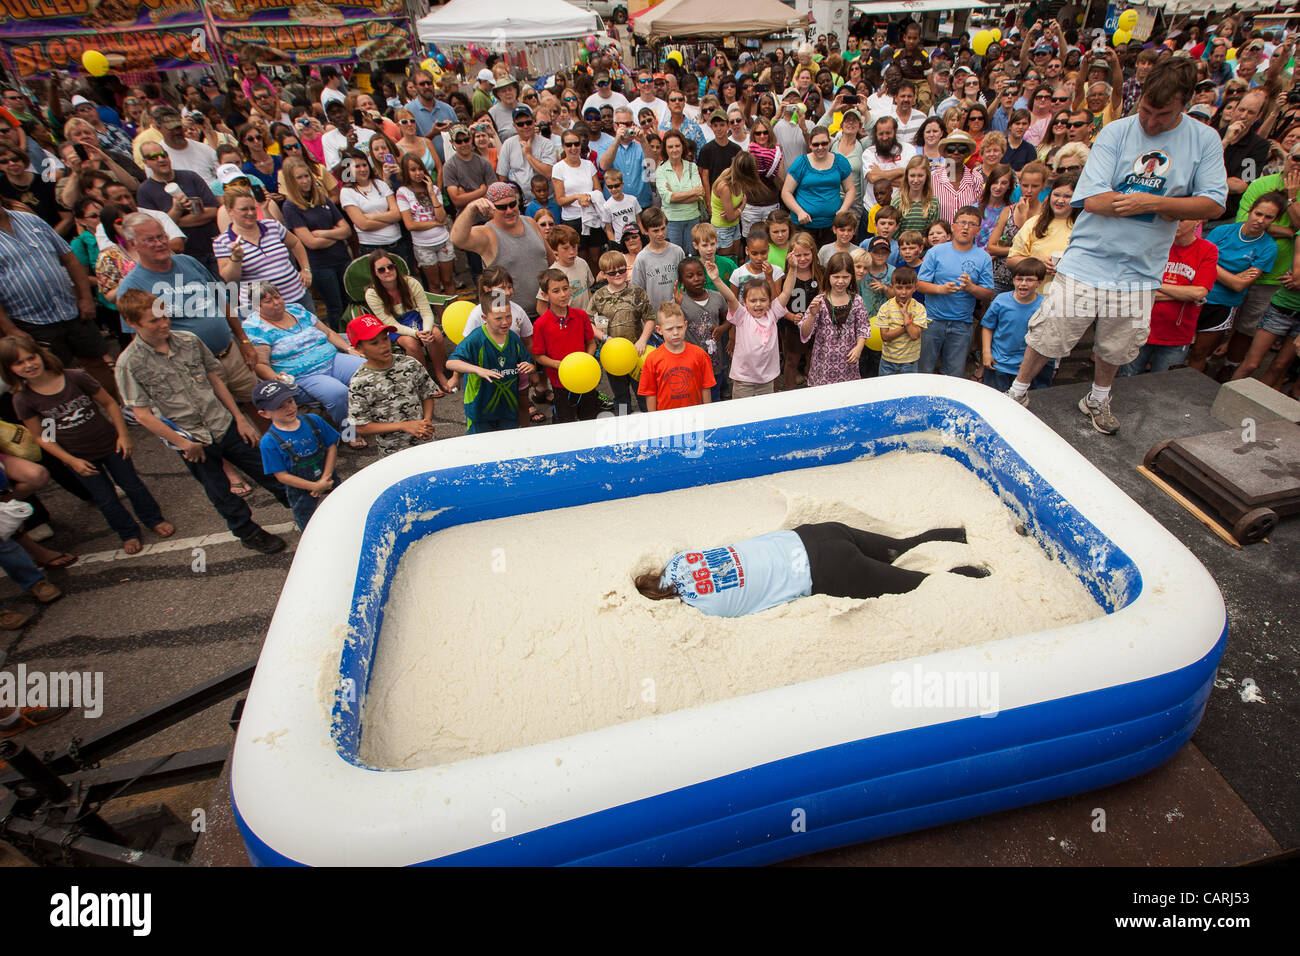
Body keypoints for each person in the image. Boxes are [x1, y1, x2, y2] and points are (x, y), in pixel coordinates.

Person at [1007, 59, 1229, 434]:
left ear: (1185, 104)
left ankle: (1097, 397)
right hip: (1089, 259)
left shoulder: (1203, 139)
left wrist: (1153, 203)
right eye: (1145, 110)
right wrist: (1171, 204)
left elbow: (1213, 202)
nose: (1151, 122)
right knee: (1051, 331)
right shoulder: (1116, 132)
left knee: (1118, 344)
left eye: (1163, 114)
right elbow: (1092, 199)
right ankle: (1018, 391)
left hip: (1141, 268)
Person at [114, 289, 288, 554]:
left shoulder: (188, 340)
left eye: (164, 316)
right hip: (192, 439)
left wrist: (240, 418)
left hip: (223, 423)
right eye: (153, 321)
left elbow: (215, 379)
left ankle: (299, 505)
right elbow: (142, 415)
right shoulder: (129, 363)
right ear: (134, 324)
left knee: (267, 469)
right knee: (220, 491)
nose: (163, 323)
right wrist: (183, 444)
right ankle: (248, 532)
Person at [4, 333, 172, 555]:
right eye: (19, 363)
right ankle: (128, 533)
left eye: (30, 358)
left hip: (111, 445)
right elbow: (41, 436)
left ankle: (153, 519)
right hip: (78, 457)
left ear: (40, 355)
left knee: (133, 485)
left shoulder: (75, 377)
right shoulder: (23, 399)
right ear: (9, 370)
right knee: (105, 498)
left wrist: (123, 435)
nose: (28, 365)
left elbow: (110, 404)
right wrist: (70, 460)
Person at [634, 522, 986, 617]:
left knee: (919, 584)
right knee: (903, 547)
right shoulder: (682, 561)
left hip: (827, 570)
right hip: (815, 533)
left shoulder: (706, 609)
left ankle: (980, 576)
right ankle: (961, 535)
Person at [0, 201, 117, 399]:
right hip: (30, 320)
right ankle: (78, 421)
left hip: (70, 308)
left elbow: (70, 259)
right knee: (54, 373)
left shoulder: (30, 219)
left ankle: (119, 408)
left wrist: (86, 298)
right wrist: (10, 329)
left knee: (96, 361)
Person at [243, 281, 365, 428]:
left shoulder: (296, 309)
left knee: (368, 369)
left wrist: (349, 348)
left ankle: (376, 414)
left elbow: (327, 332)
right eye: (268, 301)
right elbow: (261, 364)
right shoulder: (255, 327)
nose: (276, 302)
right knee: (338, 393)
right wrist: (277, 379)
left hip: (332, 359)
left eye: (277, 297)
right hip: (305, 376)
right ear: (257, 306)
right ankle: (350, 432)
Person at [1187, 192, 1283, 372]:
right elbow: (1198, 261)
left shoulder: (1269, 247)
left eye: (1268, 217)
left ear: (1275, 220)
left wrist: (1212, 266)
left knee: (1199, 353)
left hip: (1224, 305)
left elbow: (1239, 286)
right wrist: (1233, 276)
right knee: (1178, 347)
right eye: (1258, 213)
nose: (1261, 220)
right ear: (1250, 211)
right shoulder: (1223, 231)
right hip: (1194, 295)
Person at [1119, 219, 1218, 377]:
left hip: (1177, 335)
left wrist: (1154, 284)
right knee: (1126, 380)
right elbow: (1136, 287)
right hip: (1139, 327)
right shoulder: (1154, 244)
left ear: (1198, 221)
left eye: (1182, 219)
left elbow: (1199, 292)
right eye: (1173, 218)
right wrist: (1184, 293)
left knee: (1162, 385)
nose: (1176, 223)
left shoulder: (1208, 250)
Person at [450, 184, 552, 319]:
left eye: (512, 204)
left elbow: (552, 260)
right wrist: (471, 208)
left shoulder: (530, 222)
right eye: (502, 207)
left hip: (546, 311)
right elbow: (456, 239)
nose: (509, 211)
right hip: (510, 319)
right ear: (491, 209)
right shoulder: (487, 234)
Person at [917, 206, 995, 376]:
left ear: (978, 230)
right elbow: (920, 284)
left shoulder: (983, 258)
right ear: (953, 226)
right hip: (932, 321)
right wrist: (940, 289)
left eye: (972, 224)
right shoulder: (935, 252)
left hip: (962, 324)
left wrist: (971, 288)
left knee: (954, 375)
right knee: (923, 371)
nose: (966, 227)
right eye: (962, 222)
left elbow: (988, 293)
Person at [252, 379, 339, 531]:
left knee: (341, 506)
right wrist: (315, 486)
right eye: (279, 407)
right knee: (309, 524)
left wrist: (326, 476)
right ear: (264, 414)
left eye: (290, 401)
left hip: (328, 476)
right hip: (301, 490)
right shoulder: (269, 442)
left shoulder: (314, 420)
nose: (289, 408)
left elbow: (331, 447)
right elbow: (282, 476)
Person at [345, 313, 436, 457]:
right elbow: (361, 426)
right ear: (359, 349)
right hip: (392, 451)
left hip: (424, 442)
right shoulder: (359, 382)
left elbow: (427, 393)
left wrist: (427, 421)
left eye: (385, 338)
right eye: (374, 343)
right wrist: (404, 426)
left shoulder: (409, 363)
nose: (383, 345)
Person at [214, 185, 313, 317]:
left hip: (297, 296)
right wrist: (236, 259)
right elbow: (230, 277)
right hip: (261, 308)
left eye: (253, 208)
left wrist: (305, 268)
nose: (250, 213)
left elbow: (295, 243)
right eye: (244, 209)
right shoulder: (223, 242)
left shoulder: (272, 226)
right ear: (229, 210)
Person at [445, 292, 536, 433]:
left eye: (508, 316)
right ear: (484, 318)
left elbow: (527, 361)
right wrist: (478, 370)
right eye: (498, 318)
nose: (505, 322)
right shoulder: (476, 339)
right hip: (480, 411)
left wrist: (530, 367)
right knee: (482, 451)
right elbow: (451, 362)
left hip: (508, 409)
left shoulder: (513, 338)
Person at [280, 157, 351, 331]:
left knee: (351, 302)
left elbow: (346, 230)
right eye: (299, 178)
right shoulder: (290, 207)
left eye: (306, 176)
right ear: (291, 181)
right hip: (321, 266)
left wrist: (325, 233)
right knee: (336, 308)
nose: (305, 181)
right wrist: (336, 235)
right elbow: (311, 242)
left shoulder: (322, 199)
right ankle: (342, 341)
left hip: (342, 258)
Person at [709, 260, 797, 397]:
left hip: (766, 380)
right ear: (744, 302)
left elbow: (787, 291)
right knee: (743, 416)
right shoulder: (741, 315)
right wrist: (716, 279)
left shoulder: (773, 313)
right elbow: (731, 298)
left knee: (765, 414)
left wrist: (793, 268)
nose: (758, 305)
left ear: (770, 301)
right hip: (743, 380)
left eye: (763, 300)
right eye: (753, 301)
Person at [136, 139, 221, 273]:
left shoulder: (190, 176)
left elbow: (214, 211)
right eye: (153, 157)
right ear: (146, 162)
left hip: (214, 247)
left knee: (228, 290)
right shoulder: (145, 191)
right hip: (185, 256)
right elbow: (155, 229)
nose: (161, 159)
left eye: (163, 154)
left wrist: (175, 222)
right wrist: (176, 210)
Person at [532, 268, 598, 423]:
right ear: (545, 295)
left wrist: (586, 360)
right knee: (565, 420)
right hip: (560, 382)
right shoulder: (540, 324)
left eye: (565, 289)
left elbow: (591, 343)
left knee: (589, 417)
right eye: (556, 291)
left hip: (584, 377)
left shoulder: (581, 316)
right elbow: (538, 355)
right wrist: (558, 364)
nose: (563, 294)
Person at [798, 251, 869, 387]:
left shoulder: (857, 301)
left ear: (851, 277)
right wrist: (812, 315)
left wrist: (859, 348)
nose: (841, 281)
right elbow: (805, 333)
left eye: (845, 277)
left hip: (848, 365)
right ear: (828, 276)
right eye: (836, 276)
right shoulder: (820, 301)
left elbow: (863, 328)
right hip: (823, 367)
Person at [980, 258, 1050, 391]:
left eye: (1029, 280)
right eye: (1019, 279)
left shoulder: (1044, 305)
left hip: (1026, 368)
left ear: (1039, 283)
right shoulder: (1001, 300)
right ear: (1013, 280)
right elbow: (988, 327)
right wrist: (986, 353)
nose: (1023, 283)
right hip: (998, 364)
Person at [1007, 172, 1080, 296]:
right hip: (1034, 298)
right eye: (1056, 194)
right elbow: (1011, 261)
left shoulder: (1082, 227)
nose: (1060, 200)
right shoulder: (1034, 223)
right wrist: (1037, 263)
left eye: (1067, 196)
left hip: (1069, 296)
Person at [782, 125, 855, 246]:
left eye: (824, 143)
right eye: (816, 144)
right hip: (804, 226)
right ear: (810, 145)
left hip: (832, 225)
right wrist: (799, 211)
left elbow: (850, 189)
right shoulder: (801, 162)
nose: (820, 147)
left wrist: (844, 209)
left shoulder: (840, 161)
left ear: (830, 143)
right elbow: (786, 192)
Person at [395, 153, 454, 297]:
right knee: (434, 284)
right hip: (423, 246)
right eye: (413, 169)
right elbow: (410, 225)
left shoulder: (433, 189)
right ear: (406, 172)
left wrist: (432, 194)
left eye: (420, 169)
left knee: (448, 281)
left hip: (443, 241)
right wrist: (435, 223)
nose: (418, 173)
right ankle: (441, 317)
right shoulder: (403, 192)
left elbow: (442, 217)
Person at [637, 302, 714, 411]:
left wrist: (707, 413)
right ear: (659, 330)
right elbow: (650, 394)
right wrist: (653, 420)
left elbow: (705, 387)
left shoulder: (700, 354)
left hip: (695, 416)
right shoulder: (652, 359)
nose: (675, 333)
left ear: (685, 325)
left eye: (679, 327)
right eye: (669, 329)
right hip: (666, 420)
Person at [338, 149, 408, 265]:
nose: (363, 169)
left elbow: (397, 214)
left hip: (397, 244)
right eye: (357, 166)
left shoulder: (381, 184)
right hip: (372, 249)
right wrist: (390, 220)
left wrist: (369, 216)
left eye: (365, 165)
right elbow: (363, 225)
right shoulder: (346, 192)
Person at [655, 129, 704, 256]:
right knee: (674, 257)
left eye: (677, 145)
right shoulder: (661, 170)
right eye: (670, 146)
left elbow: (700, 195)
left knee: (692, 257)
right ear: (665, 149)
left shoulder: (691, 167)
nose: (674, 149)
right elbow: (667, 198)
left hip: (693, 218)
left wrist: (675, 196)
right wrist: (692, 192)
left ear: (683, 147)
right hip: (672, 221)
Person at [875, 266, 927, 375]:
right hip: (888, 361)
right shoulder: (886, 307)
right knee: (887, 390)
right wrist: (906, 325)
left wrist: (905, 316)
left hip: (910, 362)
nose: (903, 292)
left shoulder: (919, 308)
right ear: (892, 287)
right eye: (899, 288)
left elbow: (914, 335)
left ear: (915, 287)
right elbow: (885, 337)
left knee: (908, 391)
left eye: (908, 287)